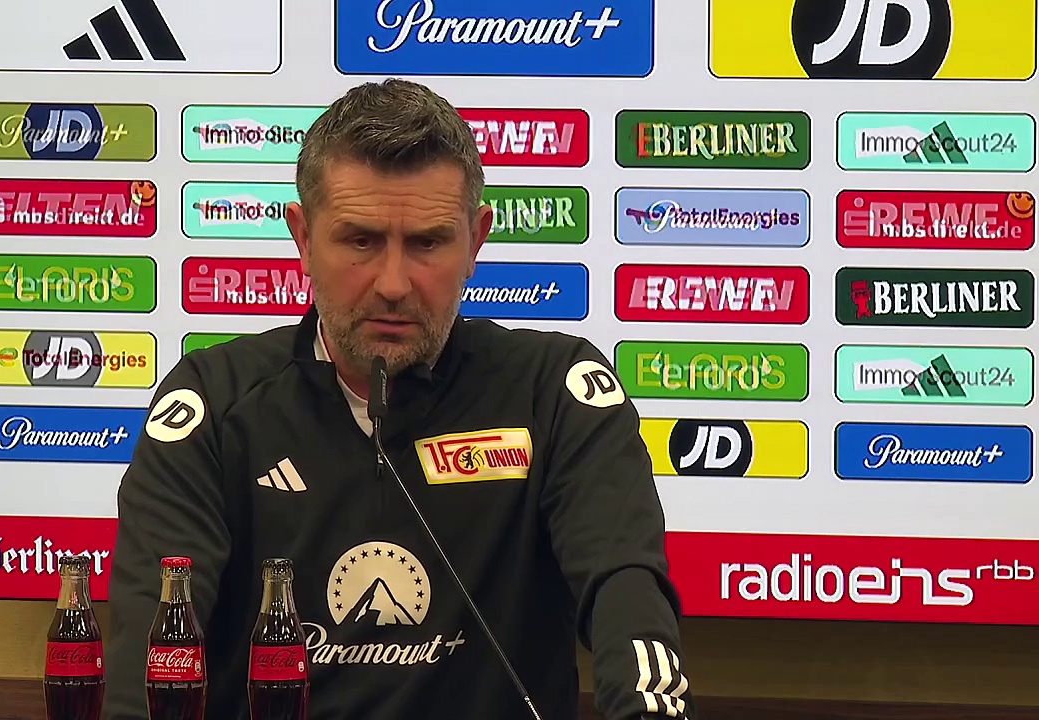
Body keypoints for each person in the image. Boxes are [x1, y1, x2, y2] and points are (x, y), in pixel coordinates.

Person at [103, 78, 699, 720]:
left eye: (427, 243)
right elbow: (151, 647)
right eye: (360, 241)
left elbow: (624, 583)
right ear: (303, 239)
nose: (392, 284)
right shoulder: (211, 404)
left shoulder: (557, 390)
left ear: (476, 241)